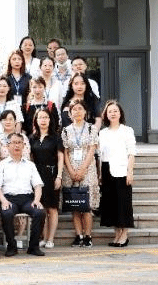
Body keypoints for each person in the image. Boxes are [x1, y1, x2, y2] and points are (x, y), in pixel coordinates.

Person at [0, 134, 47, 257]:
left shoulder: (30, 165)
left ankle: (33, 247)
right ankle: (12, 246)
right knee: (6, 213)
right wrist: (3, 201)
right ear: (8, 146)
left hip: (27, 198)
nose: (16, 145)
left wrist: (37, 200)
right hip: (8, 198)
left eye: (19, 143)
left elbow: (38, 185)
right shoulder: (1, 165)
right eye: (13, 143)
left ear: (24, 146)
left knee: (40, 212)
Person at [62, 100, 99, 247]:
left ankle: (88, 236)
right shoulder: (65, 130)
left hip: (88, 169)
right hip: (70, 169)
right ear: (70, 113)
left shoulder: (91, 129)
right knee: (75, 204)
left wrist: (83, 168)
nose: (77, 112)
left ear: (85, 112)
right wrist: (71, 170)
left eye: (80, 109)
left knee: (86, 205)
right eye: (74, 109)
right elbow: (65, 152)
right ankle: (78, 235)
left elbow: (92, 150)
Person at [98, 100, 135, 247]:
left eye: (115, 111)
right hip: (106, 170)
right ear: (106, 115)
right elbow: (100, 155)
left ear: (120, 114)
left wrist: (130, 172)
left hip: (121, 170)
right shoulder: (103, 133)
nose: (113, 113)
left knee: (123, 203)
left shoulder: (127, 130)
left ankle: (124, 235)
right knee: (111, 204)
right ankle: (117, 234)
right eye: (110, 111)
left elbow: (131, 153)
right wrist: (100, 174)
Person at [29, 108, 63, 249]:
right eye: (40, 117)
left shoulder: (56, 137)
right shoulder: (32, 138)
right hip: (37, 175)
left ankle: (50, 239)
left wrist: (59, 176)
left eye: (46, 117)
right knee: (41, 207)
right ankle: (43, 237)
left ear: (50, 120)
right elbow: (30, 158)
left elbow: (60, 157)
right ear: (36, 121)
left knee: (52, 208)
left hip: (52, 173)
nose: (43, 120)